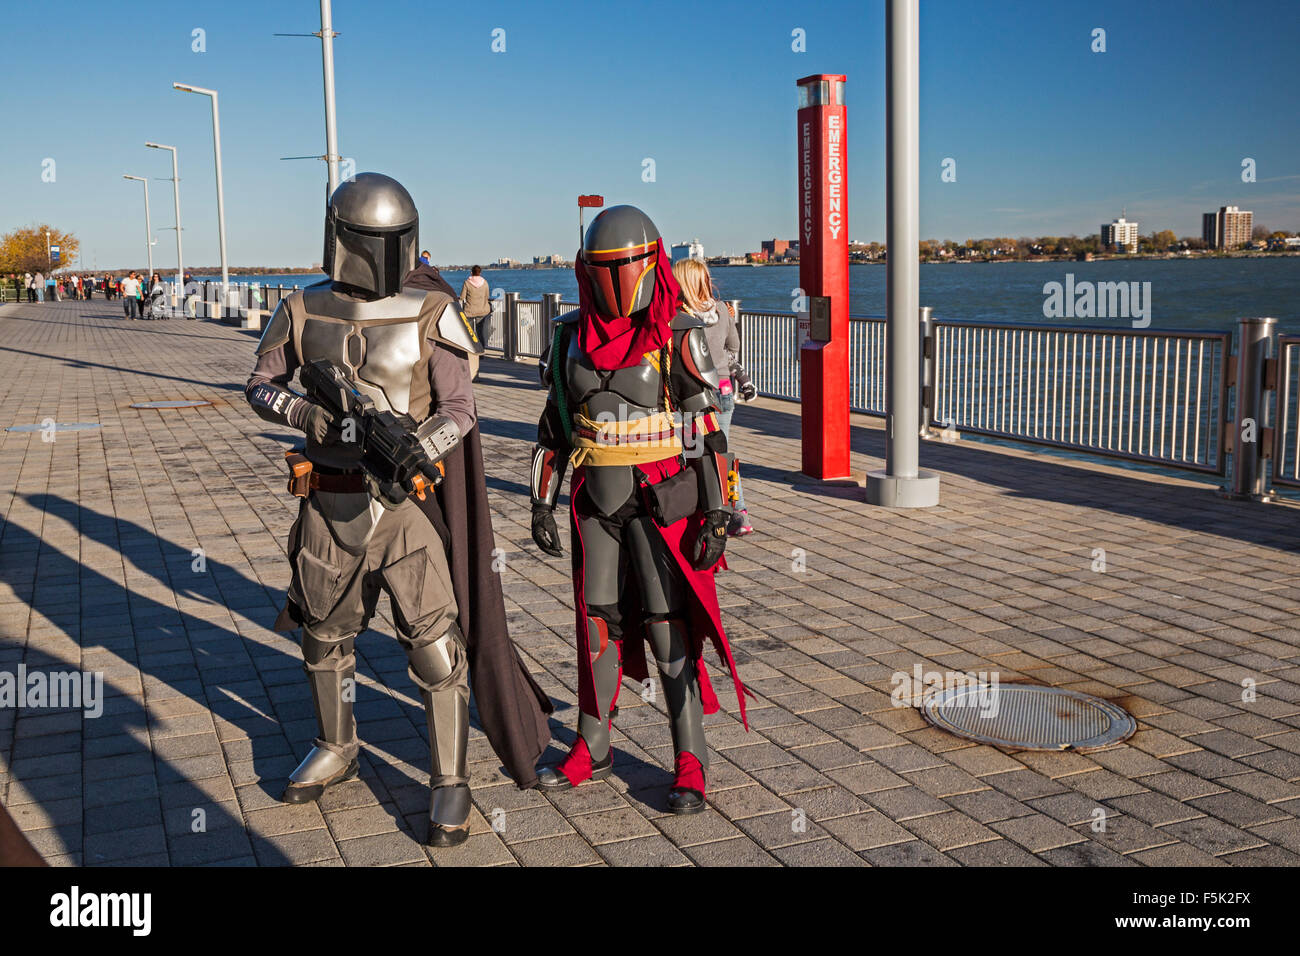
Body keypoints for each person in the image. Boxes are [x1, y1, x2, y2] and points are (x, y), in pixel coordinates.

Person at [245, 173, 551, 846]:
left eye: (395, 240)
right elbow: (261, 385)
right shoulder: (300, 309)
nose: (388, 253)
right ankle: (337, 743)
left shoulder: (429, 311)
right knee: (323, 637)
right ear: (346, 240)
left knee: (437, 649)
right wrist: (305, 413)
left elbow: (461, 411)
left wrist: (416, 444)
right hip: (329, 499)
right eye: (376, 241)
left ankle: (448, 780)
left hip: (403, 506)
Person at [528, 204, 750, 814]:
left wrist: (718, 512)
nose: (616, 282)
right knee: (595, 619)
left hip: (659, 497)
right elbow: (555, 424)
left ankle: (690, 756)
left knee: (666, 620)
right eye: (604, 269)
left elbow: (707, 429)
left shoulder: (676, 336)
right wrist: (541, 501)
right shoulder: (569, 335)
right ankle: (592, 743)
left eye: (626, 268)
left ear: (650, 266)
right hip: (595, 498)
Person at [671, 258, 755, 536]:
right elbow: (735, 346)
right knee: (722, 452)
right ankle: (738, 513)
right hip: (724, 391)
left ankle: (693, 507)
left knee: (689, 450)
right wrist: (723, 364)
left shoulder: (677, 316)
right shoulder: (722, 310)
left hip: (692, 393)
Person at [459, 265, 492, 344]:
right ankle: (481, 352)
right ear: (480, 273)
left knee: (469, 333)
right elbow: (487, 296)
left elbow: (462, 297)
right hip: (482, 311)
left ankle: (470, 351)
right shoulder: (485, 282)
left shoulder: (467, 283)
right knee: (480, 332)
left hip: (469, 311)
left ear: (471, 272)